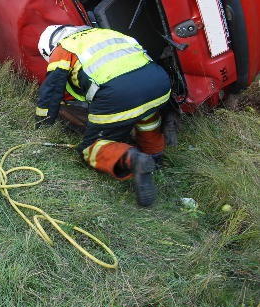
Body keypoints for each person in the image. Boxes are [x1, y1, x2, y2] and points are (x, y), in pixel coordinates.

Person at [35, 25, 171, 206]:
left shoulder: (63, 49)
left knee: (91, 148)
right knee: (146, 116)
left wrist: (43, 122)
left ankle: (132, 158)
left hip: (118, 94)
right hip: (159, 83)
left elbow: (51, 90)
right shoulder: (108, 33)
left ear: (49, 47)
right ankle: (154, 155)